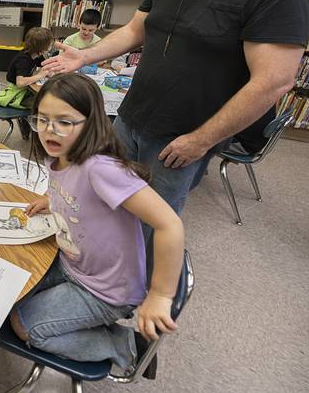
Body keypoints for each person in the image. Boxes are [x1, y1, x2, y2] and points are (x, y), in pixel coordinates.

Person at [42, 0, 309, 215]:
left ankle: (143, 271)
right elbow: (134, 31)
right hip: (131, 117)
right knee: (104, 196)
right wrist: (85, 55)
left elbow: (273, 81)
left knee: (152, 219)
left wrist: (201, 140)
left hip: (182, 137)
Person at [9, 73, 184, 372]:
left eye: (64, 122)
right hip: (72, 263)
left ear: (91, 123)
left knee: (26, 327)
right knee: (7, 292)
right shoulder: (60, 155)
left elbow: (170, 224)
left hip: (107, 290)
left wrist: (160, 295)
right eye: (42, 119)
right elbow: (73, 193)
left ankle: (125, 346)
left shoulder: (101, 169)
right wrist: (49, 200)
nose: (50, 130)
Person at [0, 26, 54, 139]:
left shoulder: (36, 55)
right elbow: (20, 82)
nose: (51, 46)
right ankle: (29, 128)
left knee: (43, 100)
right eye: (49, 44)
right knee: (42, 105)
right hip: (16, 93)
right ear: (42, 47)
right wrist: (39, 75)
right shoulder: (23, 60)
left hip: (25, 90)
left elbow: (44, 65)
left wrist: (52, 70)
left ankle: (28, 123)